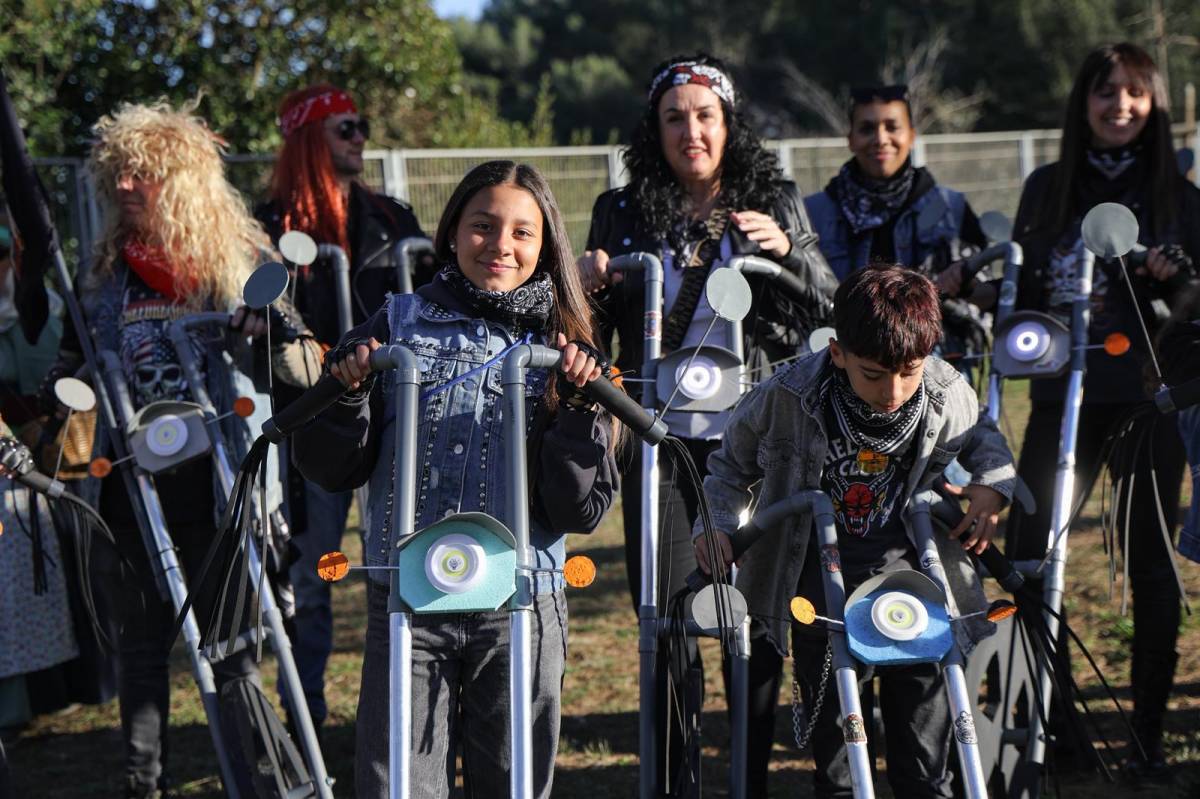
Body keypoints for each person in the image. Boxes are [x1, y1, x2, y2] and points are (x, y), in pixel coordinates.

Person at [294, 160, 619, 798]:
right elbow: (330, 467)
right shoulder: (395, 322)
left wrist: (579, 410)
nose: (501, 244)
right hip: (410, 599)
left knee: (514, 779)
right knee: (400, 782)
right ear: (450, 233)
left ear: (547, 246)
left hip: (521, 601)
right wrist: (350, 396)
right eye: (483, 225)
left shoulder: (566, 344)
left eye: (523, 232)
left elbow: (578, 509)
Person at [40, 100, 320, 799]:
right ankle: (144, 781)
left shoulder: (239, 261)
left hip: (218, 483)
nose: (129, 186)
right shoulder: (103, 273)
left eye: (147, 173)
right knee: (141, 647)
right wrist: (66, 387)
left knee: (234, 644)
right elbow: (70, 367)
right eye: (120, 174)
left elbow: (307, 369)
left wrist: (273, 331)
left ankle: (255, 777)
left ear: (186, 179)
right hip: (133, 486)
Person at [576, 53, 836, 794]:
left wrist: (787, 252)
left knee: (750, 616)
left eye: (705, 115)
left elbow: (830, 303)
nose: (691, 130)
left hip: (752, 435)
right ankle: (674, 779)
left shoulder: (774, 198)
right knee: (663, 613)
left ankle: (747, 777)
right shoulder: (620, 209)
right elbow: (589, 329)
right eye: (674, 117)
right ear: (653, 130)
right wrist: (588, 283)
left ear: (729, 125)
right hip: (658, 436)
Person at [696, 264, 1016, 797]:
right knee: (840, 755)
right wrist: (718, 526)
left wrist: (991, 486)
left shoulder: (946, 390)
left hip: (916, 588)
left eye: (908, 372)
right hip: (820, 592)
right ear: (838, 352)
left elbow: (984, 437)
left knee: (922, 753)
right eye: (873, 374)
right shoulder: (788, 395)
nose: (892, 390)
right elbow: (728, 468)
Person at [1006, 42, 1200, 783]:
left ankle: (1145, 735)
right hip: (1062, 399)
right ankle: (1062, 731)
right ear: (1082, 101)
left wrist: (1177, 285)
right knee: (1028, 554)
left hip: (1149, 404)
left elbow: (1196, 314)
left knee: (1149, 564)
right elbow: (1022, 296)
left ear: (1153, 103)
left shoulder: (1181, 196)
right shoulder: (1047, 189)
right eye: (1105, 91)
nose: (1120, 105)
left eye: (1134, 93)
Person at [255, 83, 433, 735]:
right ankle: (305, 709)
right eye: (344, 128)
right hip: (316, 422)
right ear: (307, 139)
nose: (361, 138)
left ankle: (409, 699)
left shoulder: (393, 217)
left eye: (361, 126)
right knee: (316, 565)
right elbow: (253, 311)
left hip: (395, 416)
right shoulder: (269, 226)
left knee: (402, 554)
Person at [804, 85, 993, 364]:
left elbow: (986, 297)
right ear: (851, 139)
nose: (881, 139)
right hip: (840, 370)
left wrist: (962, 285)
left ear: (912, 136)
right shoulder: (813, 212)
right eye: (867, 128)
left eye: (892, 127)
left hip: (937, 367)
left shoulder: (951, 208)